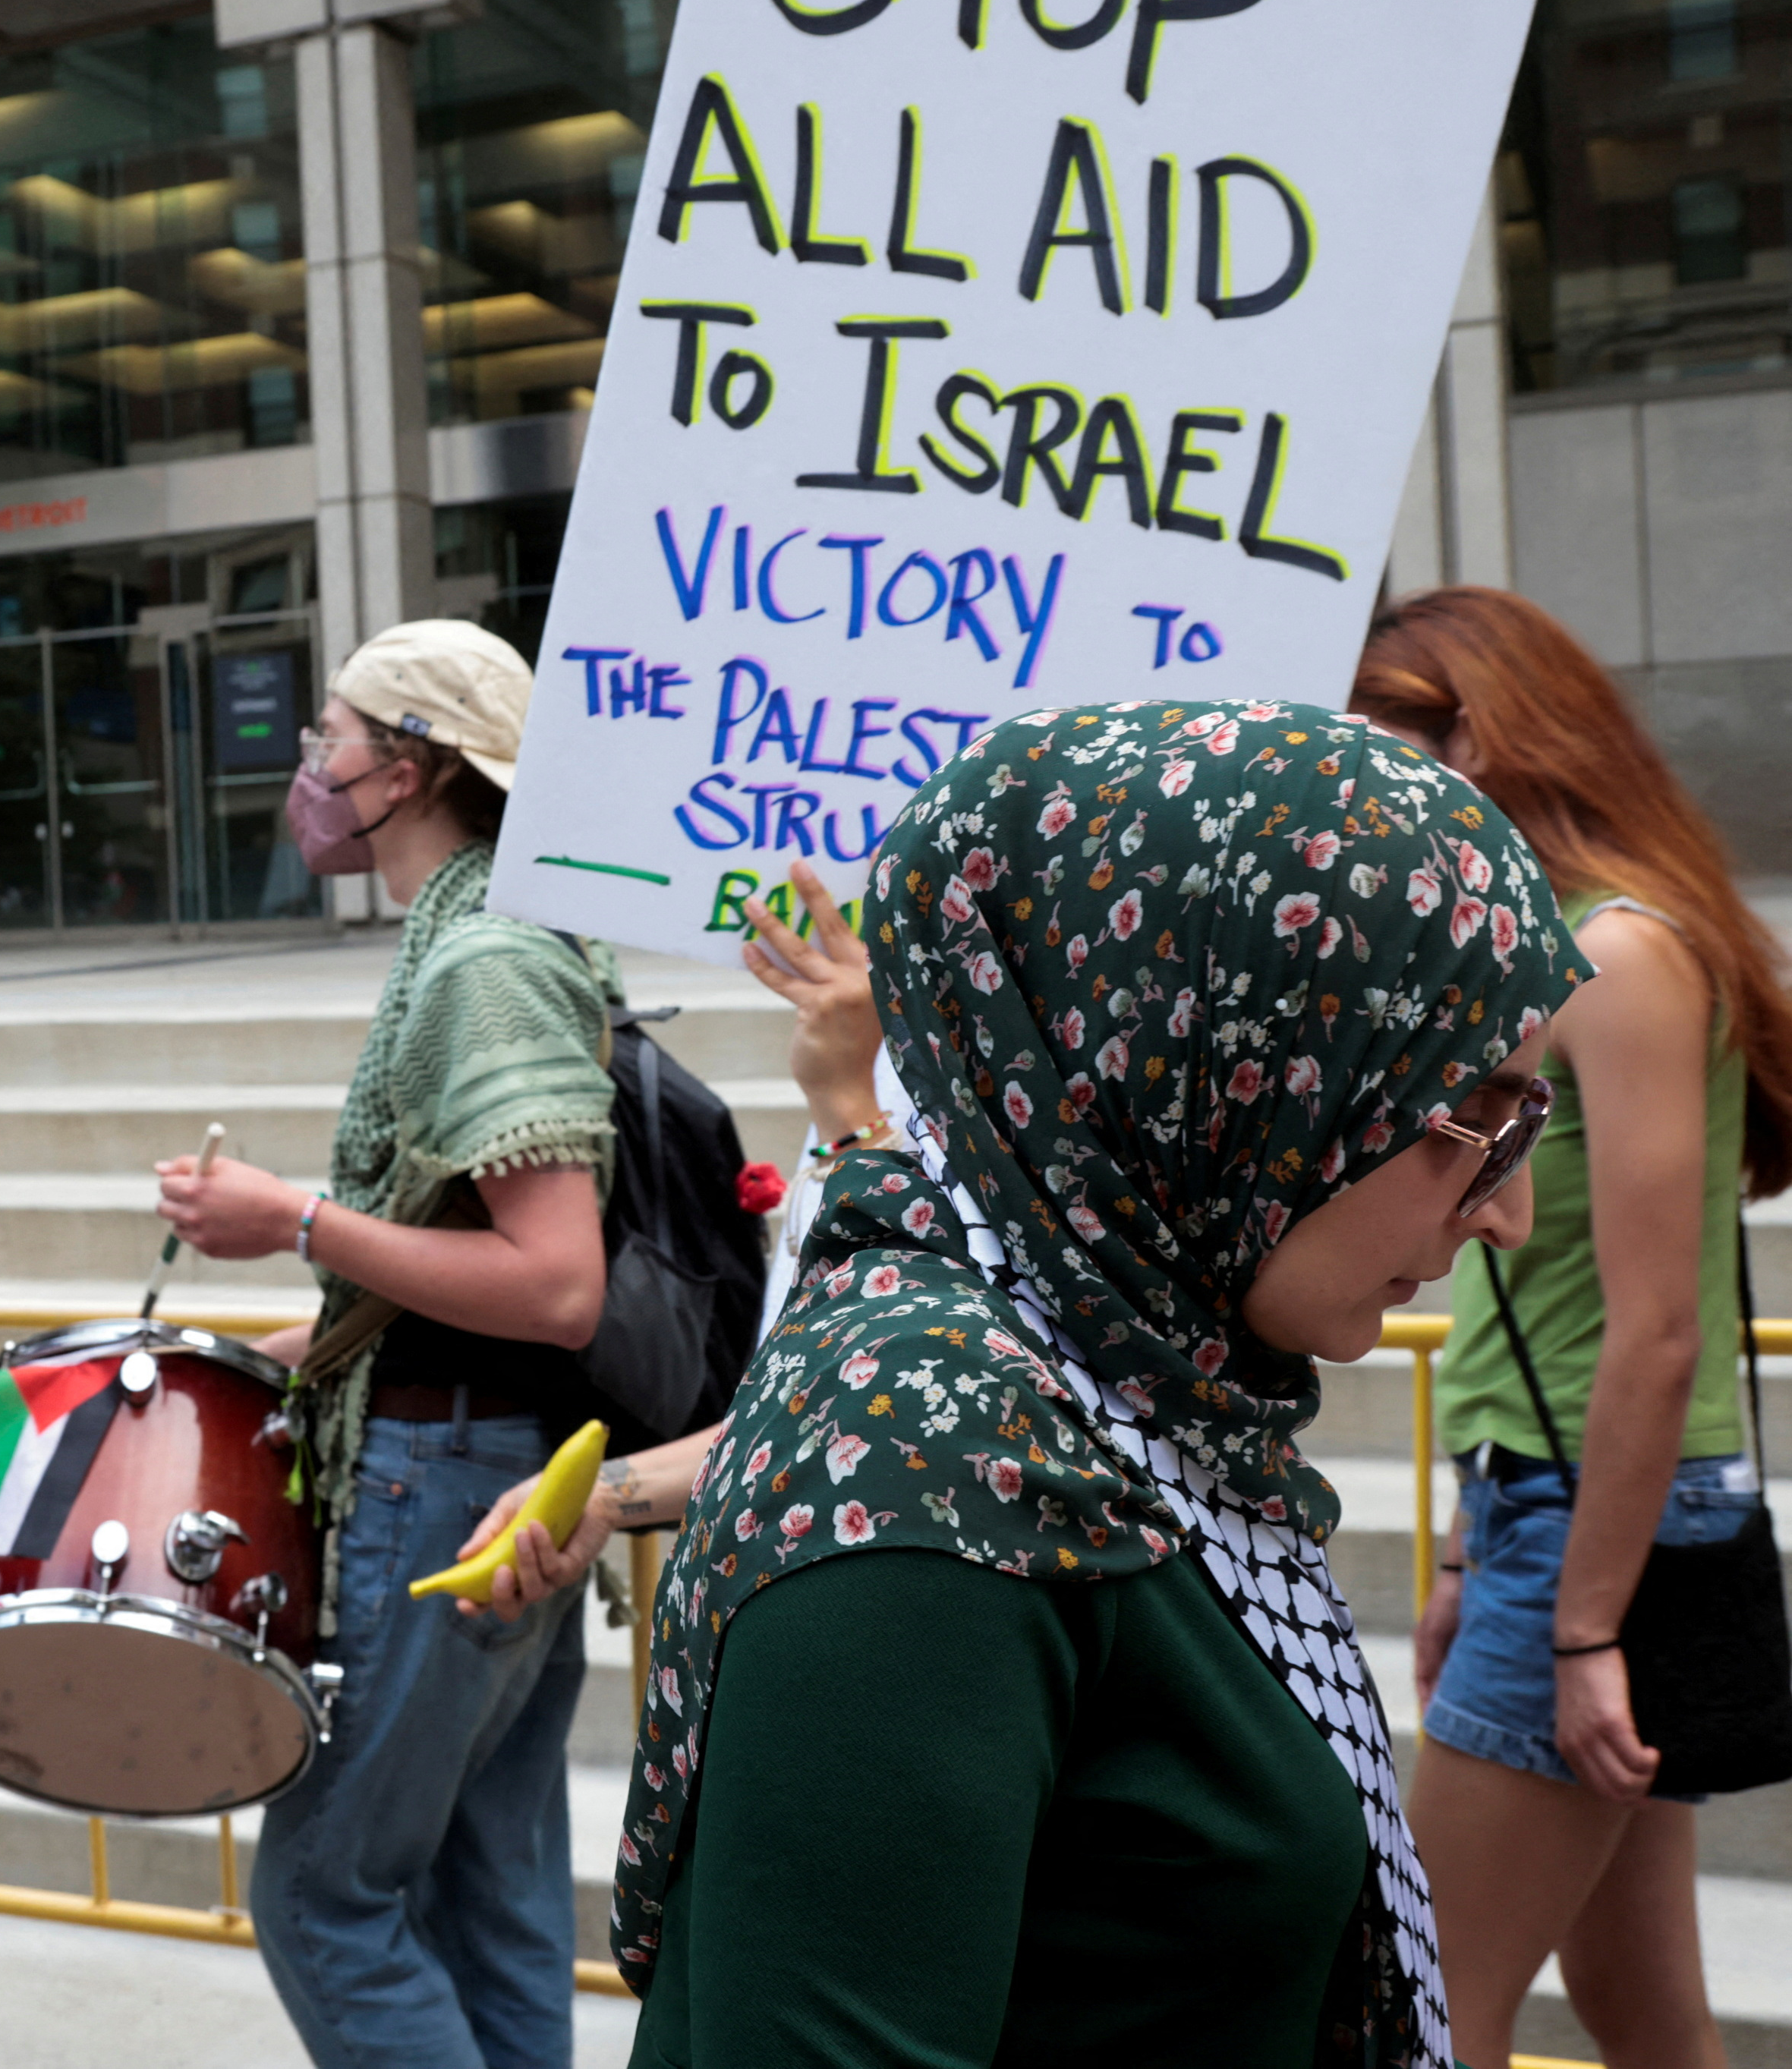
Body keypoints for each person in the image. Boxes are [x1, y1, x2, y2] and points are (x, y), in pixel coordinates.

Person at [593, 700, 1589, 2068]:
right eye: (1473, 1110)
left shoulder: (1143, 1383)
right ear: (1230, 1060)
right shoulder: (927, 1461)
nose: (1510, 1210)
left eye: (1531, 1115)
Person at [150, 619, 616, 2069]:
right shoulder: (481, 931)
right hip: (484, 1458)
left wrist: (293, 1215)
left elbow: (552, 1283)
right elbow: (443, 1280)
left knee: (324, 1893)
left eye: (329, 738)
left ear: (407, 768)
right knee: (493, 1896)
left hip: (449, 1477)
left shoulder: (481, 956)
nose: (310, 768)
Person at [1353, 587, 1792, 2069]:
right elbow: (1524, 1298)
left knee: (1421, 2004)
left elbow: (1658, 1328)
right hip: (1554, 1510)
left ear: (1470, 732)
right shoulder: (1563, 942)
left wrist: (1582, 1615)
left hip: (1594, 1527)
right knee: (1635, 2000)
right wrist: (1479, 1550)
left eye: (1380, 745)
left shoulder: (1617, 952)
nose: (1363, 789)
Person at [450, 859, 897, 1588]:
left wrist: (850, 1100)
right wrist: (600, 1494)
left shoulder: (1001, 1134)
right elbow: (801, 1403)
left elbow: (900, 1387)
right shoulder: (870, 1088)